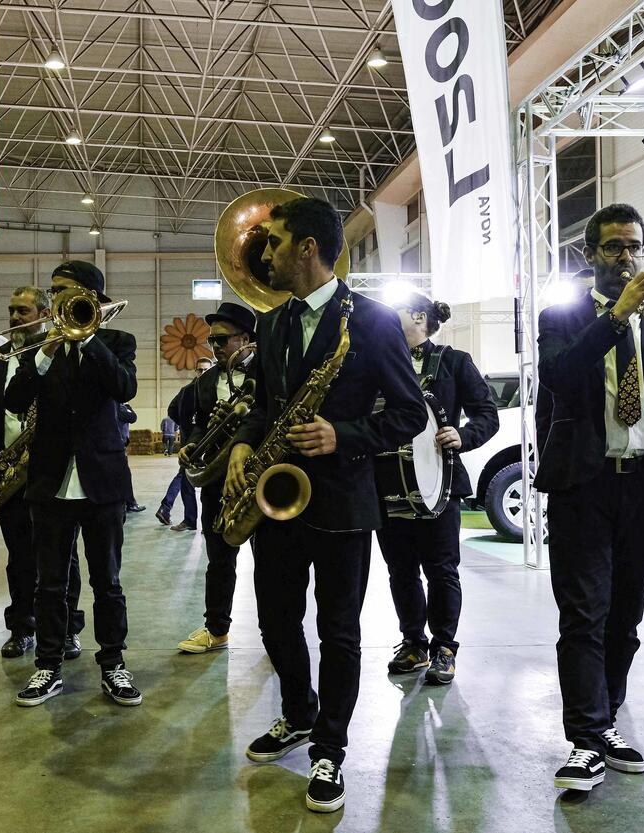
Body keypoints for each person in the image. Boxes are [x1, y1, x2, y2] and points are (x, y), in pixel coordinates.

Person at [224, 197, 426, 814]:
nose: (266, 253)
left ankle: (330, 752)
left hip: (341, 500)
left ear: (308, 248)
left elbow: (410, 413)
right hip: (277, 498)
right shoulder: (275, 321)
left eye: (275, 242)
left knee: (339, 633)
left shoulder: (371, 322)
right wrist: (242, 444)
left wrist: (346, 436)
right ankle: (297, 713)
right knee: (276, 622)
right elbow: (263, 403)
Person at [536, 203, 644, 792]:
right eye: (613, 247)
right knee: (584, 612)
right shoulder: (562, 316)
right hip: (585, 482)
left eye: (635, 244)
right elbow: (558, 375)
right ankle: (585, 738)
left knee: (626, 614)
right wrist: (617, 316)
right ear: (591, 255)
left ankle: (605, 720)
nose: (626, 256)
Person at [6, 260, 142, 708]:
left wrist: (88, 340)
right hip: (50, 482)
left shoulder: (118, 341)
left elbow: (124, 388)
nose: (55, 298)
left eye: (63, 290)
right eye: (54, 291)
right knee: (49, 584)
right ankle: (48, 666)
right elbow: (14, 399)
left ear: (89, 296)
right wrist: (46, 350)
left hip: (102, 481)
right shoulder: (39, 349)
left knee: (109, 582)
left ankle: (114, 665)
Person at [377, 293, 498, 684]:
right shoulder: (379, 362)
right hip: (387, 482)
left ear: (417, 316)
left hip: (440, 483)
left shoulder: (454, 361)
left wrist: (463, 435)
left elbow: (487, 414)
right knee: (400, 571)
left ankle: (444, 647)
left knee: (442, 569)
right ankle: (413, 642)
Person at [0, 285, 85, 659]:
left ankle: (66, 630)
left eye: (23, 312)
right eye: (11, 310)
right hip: (8, 472)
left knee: (65, 557)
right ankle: (22, 627)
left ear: (45, 315)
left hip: (55, 472)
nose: (14, 318)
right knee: (20, 557)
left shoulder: (63, 354)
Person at [176, 302, 256, 653]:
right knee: (219, 560)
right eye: (213, 340)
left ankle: (281, 631)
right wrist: (192, 444)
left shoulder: (268, 373)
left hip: (258, 477)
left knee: (273, 562)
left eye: (223, 339)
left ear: (245, 339)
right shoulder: (206, 381)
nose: (216, 346)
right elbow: (197, 422)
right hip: (217, 480)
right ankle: (217, 629)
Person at [156, 356, 212, 530]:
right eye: (200, 369)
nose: (202, 373)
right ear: (195, 371)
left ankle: (209, 525)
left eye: (206, 370)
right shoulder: (186, 391)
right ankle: (189, 520)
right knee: (186, 482)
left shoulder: (218, 387)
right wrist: (188, 425)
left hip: (213, 444)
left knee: (211, 487)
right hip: (190, 444)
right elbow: (172, 410)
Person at [117, 402, 146, 514]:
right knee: (124, 476)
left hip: (120, 445)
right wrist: (127, 406)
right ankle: (130, 504)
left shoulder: (120, 406)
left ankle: (127, 503)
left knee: (123, 476)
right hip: (117, 446)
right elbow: (132, 417)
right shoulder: (118, 407)